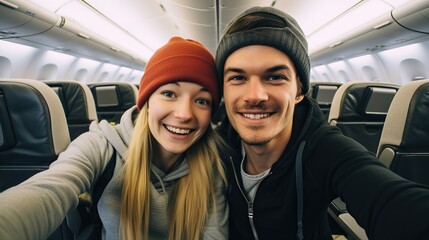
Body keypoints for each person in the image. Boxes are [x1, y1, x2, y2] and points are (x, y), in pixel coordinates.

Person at [215, 6, 429, 240]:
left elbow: (392, 201)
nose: (255, 96)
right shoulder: (210, 150)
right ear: (223, 90)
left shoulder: (325, 149)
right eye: (237, 78)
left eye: (275, 77)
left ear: (299, 91)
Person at [0, 37, 229, 240]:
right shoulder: (102, 144)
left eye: (201, 101)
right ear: (147, 102)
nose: (184, 114)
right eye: (169, 94)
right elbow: (50, 190)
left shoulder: (214, 163)